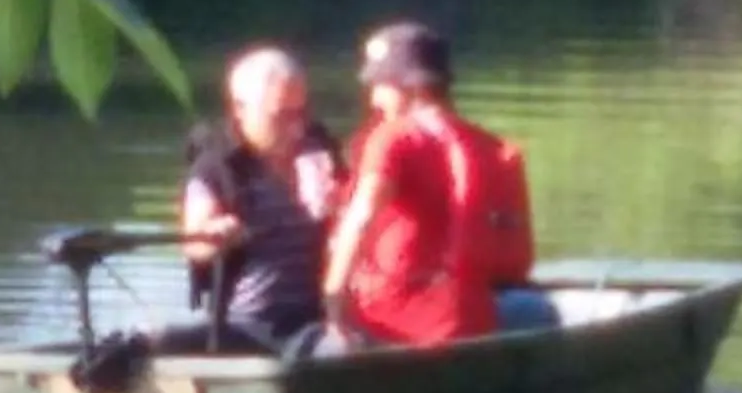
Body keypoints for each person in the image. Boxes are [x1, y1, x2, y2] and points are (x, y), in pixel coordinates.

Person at [319, 22, 500, 349]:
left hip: (395, 324)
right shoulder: (484, 144)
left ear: (412, 86)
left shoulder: (394, 139)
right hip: (472, 320)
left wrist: (332, 305)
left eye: (380, 86)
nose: (374, 100)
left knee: (309, 345)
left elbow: (359, 223)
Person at [168, 45, 342, 354]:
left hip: (319, 317)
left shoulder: (320, 150)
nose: (296, 128)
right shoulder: (217, 166)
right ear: (240, 108)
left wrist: (340, 198)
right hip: (248, 324)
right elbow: (194, 241)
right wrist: (217, 232)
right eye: (280, 116)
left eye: (300, 113)